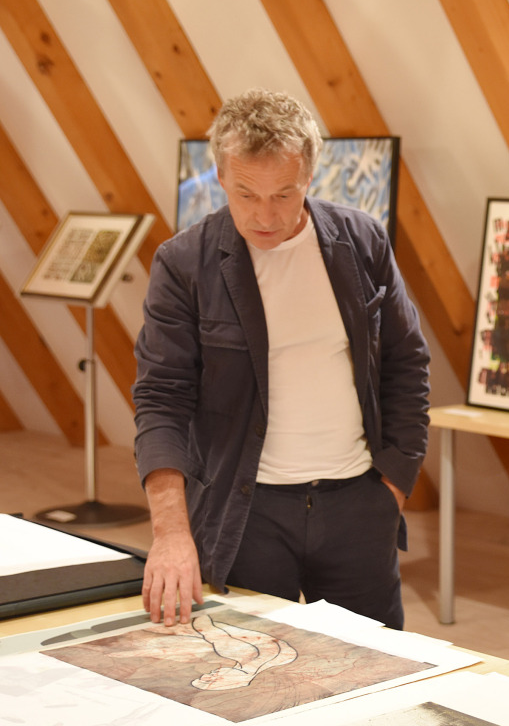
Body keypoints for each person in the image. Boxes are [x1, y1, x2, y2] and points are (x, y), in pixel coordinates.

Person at [133, 88, 430, 632]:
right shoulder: (184, 265)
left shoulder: (361, 241)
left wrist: (393, 485)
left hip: (357, 507)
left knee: (373, 682)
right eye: (246, 194)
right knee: (249, 677)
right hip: (244, 514)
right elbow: (161, 400)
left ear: (310, 177)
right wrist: (171, 532)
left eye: (284, 194)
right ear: (219, 176)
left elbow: (406, 363)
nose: (264, 216)